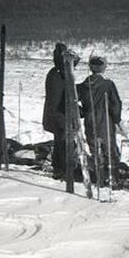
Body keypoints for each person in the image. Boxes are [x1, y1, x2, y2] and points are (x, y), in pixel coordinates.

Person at [76, 56, 122, 184]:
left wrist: (82, 112)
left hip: (90, 121)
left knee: (95, 149)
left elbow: (73, 101)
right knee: (110, 149)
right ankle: (112, 177)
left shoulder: (83, 86)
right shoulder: (108, 84)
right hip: (105, 121)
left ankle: (98, 177)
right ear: (102, 68)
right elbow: (115, 104)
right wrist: (117, 119)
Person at [42, 43, 79, 179]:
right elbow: (65, 97)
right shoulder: (61, 75)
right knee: (64, 144)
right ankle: (64, 170)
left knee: (59, 142)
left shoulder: (55, 73)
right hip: (61, 116)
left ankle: (59, 169)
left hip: (55, 115)